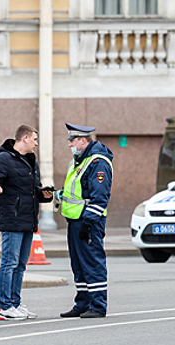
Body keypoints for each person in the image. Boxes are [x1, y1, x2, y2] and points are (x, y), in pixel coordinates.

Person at [0, 125, 53, 321]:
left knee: (21, 265)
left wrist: (44, 194)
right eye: (35, 139)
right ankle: (4, 306)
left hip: (28, 220)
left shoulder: (31, 161)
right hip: (12, 220)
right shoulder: (3, 158)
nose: (36, 143)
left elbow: (32, 190)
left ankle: (15, 303)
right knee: (9, 263)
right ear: (24, 138)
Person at [58, 122, 113, 318]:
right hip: (75, 220)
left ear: (83, 140)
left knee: (92, 262)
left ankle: (98, 305)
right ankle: (82, 303)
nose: (69, 144)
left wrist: (89, 222)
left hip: (88, 221)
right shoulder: (79, 161)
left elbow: (100, 196)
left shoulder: (98, 162)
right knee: (79, 264)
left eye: (72, 140)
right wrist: (59, 195)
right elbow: (78, 192)